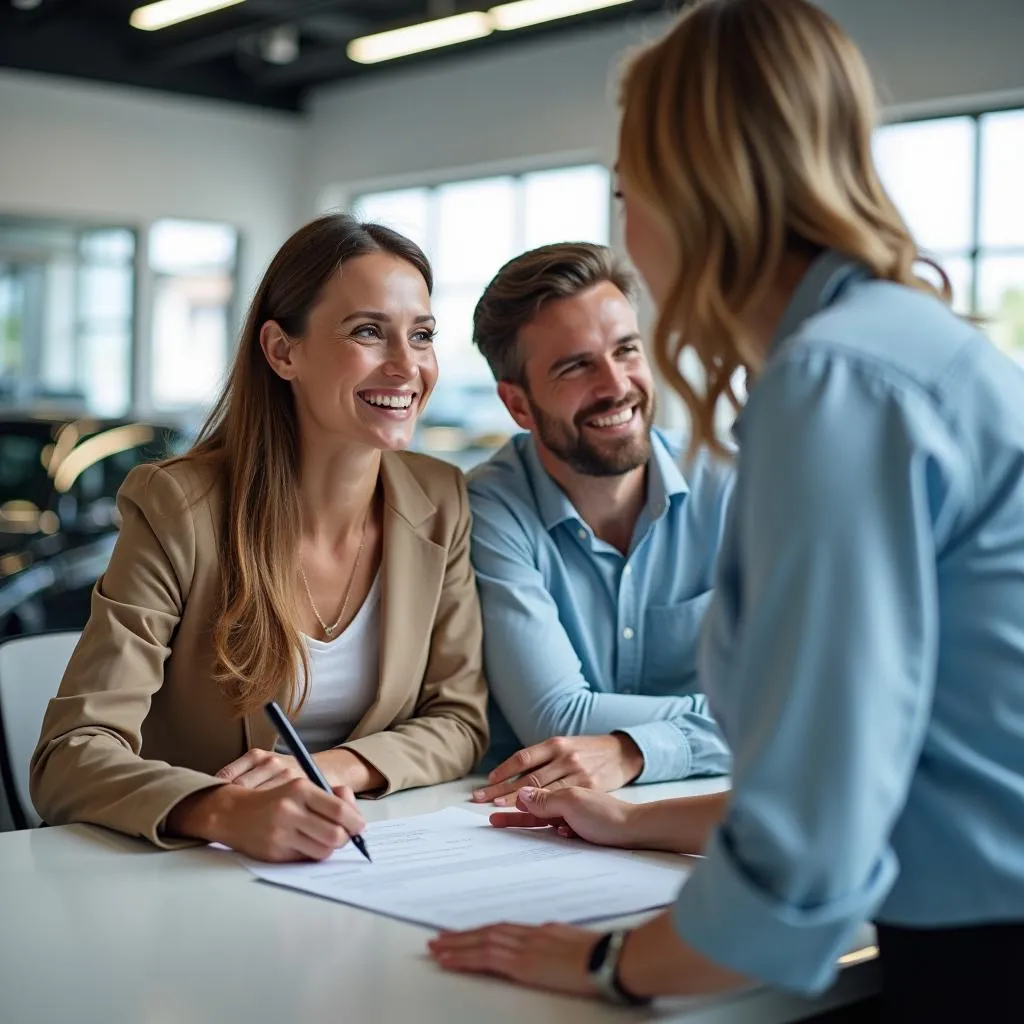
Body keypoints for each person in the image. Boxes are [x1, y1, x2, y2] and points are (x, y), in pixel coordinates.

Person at [428, 0, 1024, 1015]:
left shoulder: (834, 386)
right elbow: (870, 745)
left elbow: (807, 849)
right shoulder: (897, 347)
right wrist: (632, 820)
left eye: (627, 190)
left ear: (692, 191)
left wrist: (603, 962)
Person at [31, 214, 489, 862]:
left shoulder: (441, 500)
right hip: (189, 879)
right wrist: (222, 809)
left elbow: (459, 722)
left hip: (359, 863)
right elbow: (68, 757)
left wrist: (325, 769)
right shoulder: (178, 508)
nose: (406, 366)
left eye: (422, 336)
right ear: (282, 351)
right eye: (368, 332)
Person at [465, 242, 733, 806]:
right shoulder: (490, 508)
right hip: (528, 826)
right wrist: (748, 715)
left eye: (626, 350)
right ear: (517, 405)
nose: (615, 385)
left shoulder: (735, 487)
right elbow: (557, 716)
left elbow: (813, 704)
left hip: (701, 809)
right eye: (576, 365)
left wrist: (637, 749)